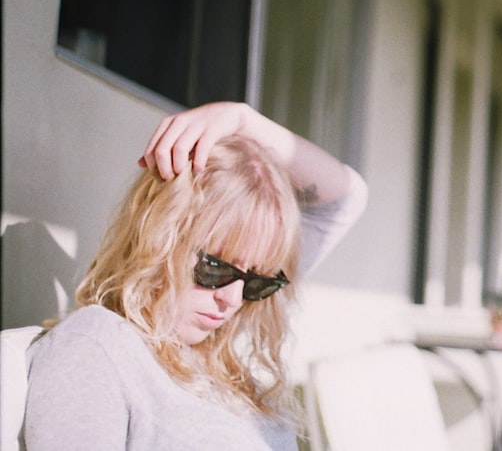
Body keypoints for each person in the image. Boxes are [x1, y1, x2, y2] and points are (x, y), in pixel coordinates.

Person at [23, 102, 368, 450]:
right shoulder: (97, 346)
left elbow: (346, 197)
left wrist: (241, 120)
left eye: (257, 282)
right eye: (215, 268)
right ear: (159, 238)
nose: (232, 300)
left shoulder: (219, 350)